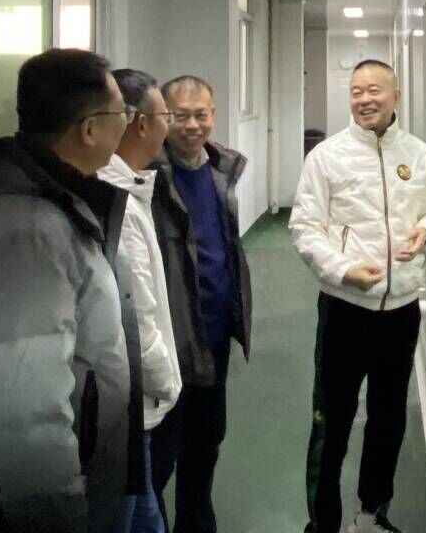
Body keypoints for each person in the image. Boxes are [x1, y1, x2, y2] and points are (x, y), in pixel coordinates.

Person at [0, 48, 143, 533]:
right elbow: (21, 416)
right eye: (121, 112)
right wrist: (56, 518)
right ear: (89, 129)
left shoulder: (52, 208)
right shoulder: (29, 234)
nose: (128, 123)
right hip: (7, 514)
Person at [290, 59, 426, 533]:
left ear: (395, 96)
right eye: (356, 91)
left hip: (401, 310)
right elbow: (304, 228)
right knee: (331, 421)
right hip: (345, 310)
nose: (364, 99)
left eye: (374, 90)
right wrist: (343, 270)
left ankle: (372, 513)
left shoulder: (417, 154)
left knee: (388, 417)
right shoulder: (327, 157)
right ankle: (323, 524)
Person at [149, 75, 252, 533]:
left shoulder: (220, 170)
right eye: (180, 115)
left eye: (201, 115)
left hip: (214, 333)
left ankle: (195, 523)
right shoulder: (148, 176)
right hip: (170, 338)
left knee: (206, 439)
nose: (192, 125)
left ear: (213, 115)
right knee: (161, 450)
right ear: (163, 116)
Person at [98, 70, 183, 533]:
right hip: (135, 401)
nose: (172, 126)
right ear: (142, 123)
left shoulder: (130, 189)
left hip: (133, 397)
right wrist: (167, 381)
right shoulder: (120, 205)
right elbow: (138, 313)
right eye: (167, 115)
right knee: (141, 516)